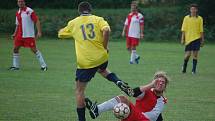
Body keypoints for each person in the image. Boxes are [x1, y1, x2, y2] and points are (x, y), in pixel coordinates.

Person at [58, 2, 133, 121]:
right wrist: (105, 46)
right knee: (102, 70)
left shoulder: (73, 23)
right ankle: (118, 81)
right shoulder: (98, 19)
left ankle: (81, 119)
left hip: (85, 63)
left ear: (79, 11)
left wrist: (64, 30)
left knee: (79, 91)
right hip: (102, 57)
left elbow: (60, 34)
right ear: (90, 10)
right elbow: (106, 30)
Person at [85, 71, 169, 121]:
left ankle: (97, 110)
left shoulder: (162, 100)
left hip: (142, 119)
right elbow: (133, 93)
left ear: (165, 86)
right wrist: (150, 85)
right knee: (122, 99)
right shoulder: (148, 91)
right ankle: (97, 110)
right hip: (134, 116)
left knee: (123, 99)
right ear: (153, 82)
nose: (160, 83)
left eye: (163, 82)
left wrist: (130, 112)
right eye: (158, 81)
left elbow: (154, 117)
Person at [9, 0, 47, 71]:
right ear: (17, 3)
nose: (20, 3)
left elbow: (37, 21)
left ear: (24, 2)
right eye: (19, 2)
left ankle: (44, 66)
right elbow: (17, 24)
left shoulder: (29, 11)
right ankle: (15, 66)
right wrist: (14, 33)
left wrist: (39, 32)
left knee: (33, 50)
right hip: (19, 35)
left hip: (28, 34)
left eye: (21, 1)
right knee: (15, 49)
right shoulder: (18, 12)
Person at [181, 3, 204, 74]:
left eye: (194, 9)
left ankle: (193, 70)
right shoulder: (186, 18)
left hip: (197, 38)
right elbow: (183, 29)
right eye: (192, 9)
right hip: (188, 39)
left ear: (196, 10)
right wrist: (182, 39)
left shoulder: (200, 18)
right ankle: (184, 66)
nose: (193, 10)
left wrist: (202, 40)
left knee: (195, 55)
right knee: (187, 55)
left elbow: (201, 30)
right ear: (190, 10)